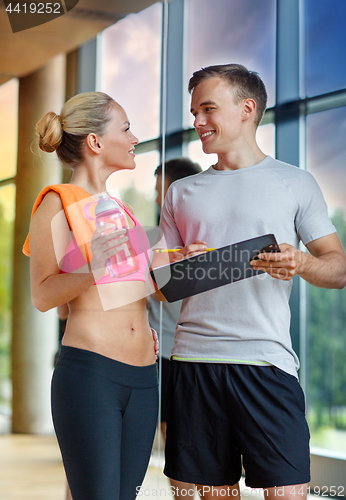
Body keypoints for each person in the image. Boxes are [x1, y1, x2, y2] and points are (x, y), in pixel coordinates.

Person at [154, 64, 346, 500]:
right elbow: (162, 282)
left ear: (247, 109)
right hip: (194, 363)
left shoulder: (295, 183)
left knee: (287, 493)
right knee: (211, 494)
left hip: (266, 362)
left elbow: (338, 269)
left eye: (208, 109)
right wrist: (181, 263)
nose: (197, 122)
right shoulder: (180, 193)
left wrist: (299, 263)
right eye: (194, 112)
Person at [22, 91, 159, 500]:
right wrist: (91, 268)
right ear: (95, 142)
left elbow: (135, 291)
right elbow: (44, 296)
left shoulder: (123, 210)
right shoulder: (56, 203)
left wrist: (180, 264)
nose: (134, 137)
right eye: (126, 128)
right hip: (93, 376)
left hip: (144, 378)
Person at [148, 158, 202, 499]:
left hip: (192, 354)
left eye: (159, 192)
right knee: (178, 440)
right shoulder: (152, 240)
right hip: (164, 355)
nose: (157, 201)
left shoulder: (205, 242)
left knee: (182, 439)